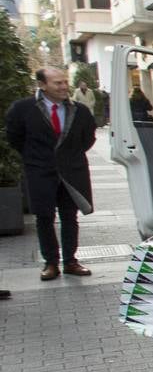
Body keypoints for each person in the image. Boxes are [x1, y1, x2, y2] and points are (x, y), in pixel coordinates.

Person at [4, 67, 96, 281]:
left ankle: (71, 261)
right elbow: (15, 137)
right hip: (40, 171)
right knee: (44, 217)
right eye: (57, 83)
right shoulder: (22, 109)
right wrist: (36, 157)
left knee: (70, 216)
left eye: (65, 82)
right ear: (42, 85)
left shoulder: (79, 110)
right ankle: (51, 263)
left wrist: (69, 157)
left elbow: (88, 138)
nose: (64, 87)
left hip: (71, 172)